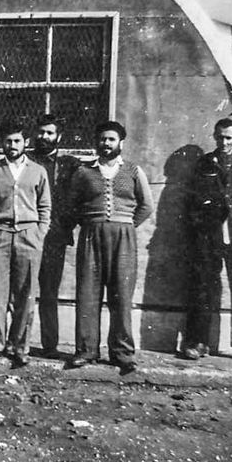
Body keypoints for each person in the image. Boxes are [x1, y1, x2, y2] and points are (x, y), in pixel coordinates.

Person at [66, 121, 153, 373]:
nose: (106, 144)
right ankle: (86, 350)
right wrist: (89, 222)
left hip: (123, 237)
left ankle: (122, 353)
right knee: (87, 293)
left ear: (120, 143)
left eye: (111, 139)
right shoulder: (83, 172)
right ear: (96, 142)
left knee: (121, 295)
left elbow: (146, 205)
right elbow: (72, 203)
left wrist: (126, 224)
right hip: (91, 235)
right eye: (102, 139)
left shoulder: (134, 171)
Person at [0, 120, 51, 367]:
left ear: (25, 143)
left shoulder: (38, 170)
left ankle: (19, 346)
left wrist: (39, 233)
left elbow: (44, 206)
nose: (12, 145)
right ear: (1, 143)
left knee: (25, 294)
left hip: (29, 235)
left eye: (17, 141)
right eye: (8, 141)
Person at [185, 117, 232, 361]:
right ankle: (199, 342)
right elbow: (191, 200)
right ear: (214, 136)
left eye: (228, 137)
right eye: (219, 137)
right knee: (203, 285)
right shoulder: (204, 164)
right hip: (209, 231)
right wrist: (200, 225)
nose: (224, 142)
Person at [27, 115, 82, 357]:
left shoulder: (70, 165)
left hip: (54, 238)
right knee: (21, 291)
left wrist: (65, 225)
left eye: (49, 133)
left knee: (49, 292)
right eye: (40, 132)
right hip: (27, 235)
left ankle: (50, 345)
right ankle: (17, 343)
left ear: (58, 136)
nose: (44, 137)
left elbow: (79, 199)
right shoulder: (24, 161)